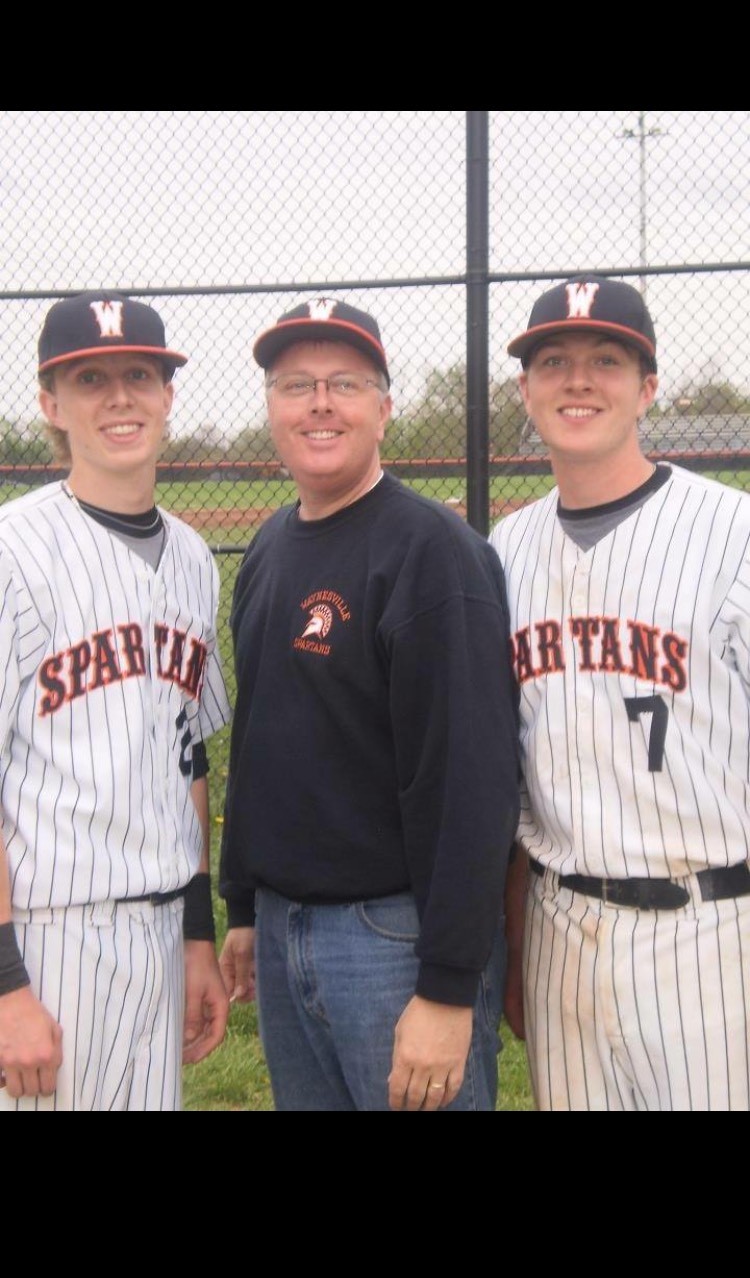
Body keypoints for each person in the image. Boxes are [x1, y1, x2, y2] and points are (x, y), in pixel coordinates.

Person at [218, 297, 520, 1112]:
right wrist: (243, 902)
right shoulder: (272, 548)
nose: (319, 402)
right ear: (272, 410)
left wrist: (448, 988)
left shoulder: (432, 554)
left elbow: (472, 783)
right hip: (284, 929)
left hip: (393, 938)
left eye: (345, 383)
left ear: (384, 410)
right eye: (295, 385)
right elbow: (261, 738)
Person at [490, 274, 750, 1112]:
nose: (577, 380)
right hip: (563, 926)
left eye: (606, 359)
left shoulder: (730, 532)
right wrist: (519, 943)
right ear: (525, 389)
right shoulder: (503, 549)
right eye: (553, 361)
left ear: (647, 389)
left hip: (711, 929)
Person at [0, 290, 232, 1111]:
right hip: (45, 936)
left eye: (139, 374)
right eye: (90, 378)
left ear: (168, 396)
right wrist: (5, 986)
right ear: (48, 403)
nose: (120, 398)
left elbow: (190, 753)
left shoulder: (196, 558)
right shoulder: (12, 551)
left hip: (162, 928)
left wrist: (198, 935)